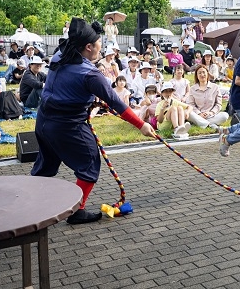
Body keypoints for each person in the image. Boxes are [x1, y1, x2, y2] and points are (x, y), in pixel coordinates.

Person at [31, 17, 156, 224]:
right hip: (67, 126)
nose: (102, 48)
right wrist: (141, 124)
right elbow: (117, 102)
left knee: (45, 166)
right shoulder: (90, 74)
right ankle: (76, 211)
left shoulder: (59, 56)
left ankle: (28, 205)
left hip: (43, 122)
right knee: (89, 163)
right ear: (88, 47)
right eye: (100, 44)